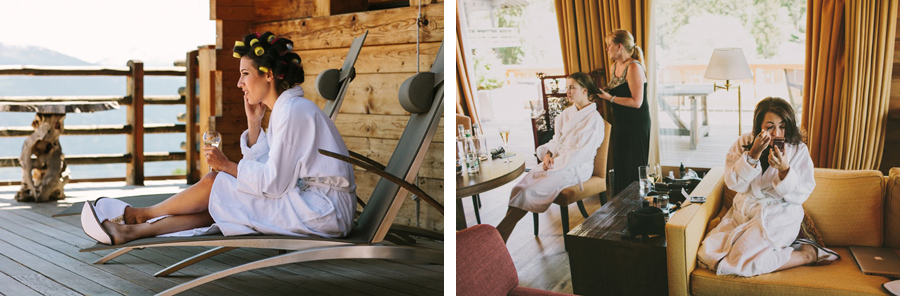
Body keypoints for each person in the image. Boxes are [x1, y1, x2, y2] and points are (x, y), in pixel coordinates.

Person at [81, 32, 356, 245]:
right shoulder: (288, 109)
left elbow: (273, 183)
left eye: (245, 74)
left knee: (217, 182)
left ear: (268, 75)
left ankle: (140, 214)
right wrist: (253, 123)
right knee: (222, 199)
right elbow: (265, 167)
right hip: (310, 203)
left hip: (323, 212)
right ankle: (132, 231)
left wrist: (227, 166)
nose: (240, 84)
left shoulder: (293, 111)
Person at [696, 97, 839, 277]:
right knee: (706, 254)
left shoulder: (798, 149)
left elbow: (802, 193)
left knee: (738, 261)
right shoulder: (743, 143)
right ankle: (775, 251)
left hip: (780, 215)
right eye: (769, 126)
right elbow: (733, 183)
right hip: (746, 212)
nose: (777, 133)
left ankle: (806, 255)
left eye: (782, 126)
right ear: (759, 126)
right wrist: (753, 154)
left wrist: (785, 171)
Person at [495, 72, 606, 242]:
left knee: (529, 189)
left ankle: (499, 235)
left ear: (584, 90)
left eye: (572, 87)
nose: (567, 91)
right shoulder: (566, 114)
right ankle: (500, 236)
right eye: (566, 87)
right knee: (520, 187)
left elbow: (581, 154)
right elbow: (556, 141)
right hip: (556, 162)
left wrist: (556, 164)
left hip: (576, 167)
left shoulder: (594, 120)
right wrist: (547, 155)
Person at [594, 29, 650, 193]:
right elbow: (616, 91)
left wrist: (608, 98)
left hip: (636, 124)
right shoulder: (614, 66)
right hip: (620, 123)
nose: (607, 49)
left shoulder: (634, 67)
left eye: (609, 45)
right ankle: (621, 205)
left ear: (619, 46)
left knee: (633, 165)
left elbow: (636, 102)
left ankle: (635, 204)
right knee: (621, 163)